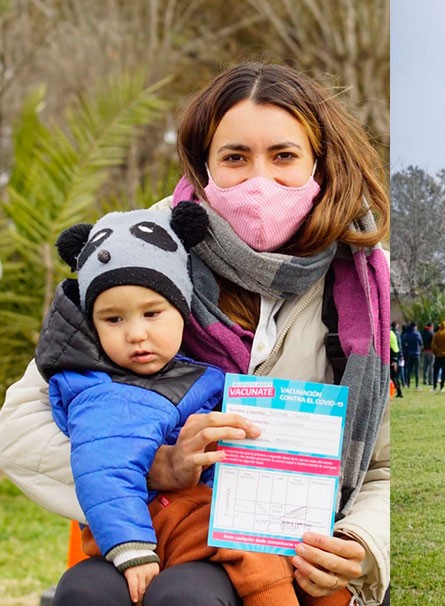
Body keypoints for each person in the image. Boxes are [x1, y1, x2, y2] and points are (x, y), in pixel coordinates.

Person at [0, 62, 391, 606]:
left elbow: (388, 465)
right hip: (169, 534)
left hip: (300, 555)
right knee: (93, 592)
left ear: (318, 162)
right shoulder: (141, 252)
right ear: (203, 163)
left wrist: (363, 544)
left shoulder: (367, 284)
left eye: (283, 156)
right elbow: (18, 427)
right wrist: (152, 468)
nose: (259, 181)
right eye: (235, 157)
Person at [40, 206, 316, 606]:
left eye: (152, 313)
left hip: (191, 521)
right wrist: (131, 547)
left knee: (258, 563)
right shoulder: (102, 392)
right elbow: (104, 470)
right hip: (147, 529)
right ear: (92, 325)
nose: (136, 334)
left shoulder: (197, 376)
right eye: (113, 320)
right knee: (257, 568)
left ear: (183, 310)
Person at [401, 321, 422, 390]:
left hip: (410, 353)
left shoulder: (408, 334)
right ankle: (417, 385)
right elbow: (421, 343)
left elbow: (405, 343)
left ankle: (408, 384)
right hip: (417, 354)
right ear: (415, 327)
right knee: (417, 370)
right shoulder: (417, 334)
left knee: (409, 370)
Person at [389, 322, 403, 398]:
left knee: (393, 376)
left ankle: (399, 391)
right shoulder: (394, 333)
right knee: (394, 376)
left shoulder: (390, 334)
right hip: (395, 357)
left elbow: (393, 347)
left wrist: (394, 360)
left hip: (392, 357)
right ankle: (398, 391)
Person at [420, 322, 436, 389]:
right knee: (431, 366)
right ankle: (430, 381)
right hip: (431, 351)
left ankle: (424, 380)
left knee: (425, 366)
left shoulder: (422, 333)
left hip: (424, 351)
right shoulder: (432, 333)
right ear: (431, 326)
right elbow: (434, 343)